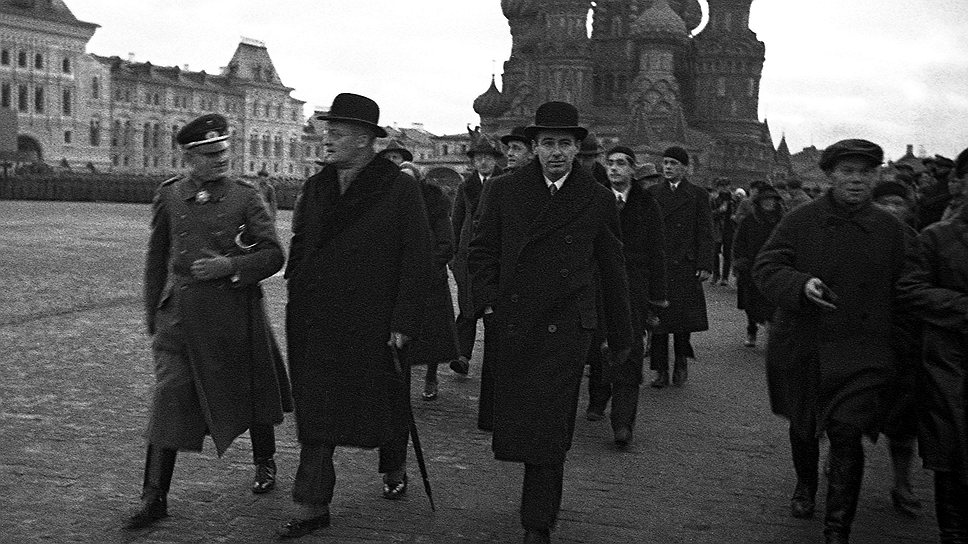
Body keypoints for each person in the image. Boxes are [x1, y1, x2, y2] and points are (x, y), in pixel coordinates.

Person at [468, 101, 633, 543]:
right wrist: (487, 304)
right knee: (523, 422)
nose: (555, 152)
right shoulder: (503, 190)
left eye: (564, 143)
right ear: (535, 147)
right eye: (547, 143)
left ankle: (537, 521)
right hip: (515, 321)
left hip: (566, 328)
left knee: (550, 424)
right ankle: (538, 506)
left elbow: (612, 268)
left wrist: (621, 334)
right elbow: (481, 251)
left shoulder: (596, 198)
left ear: (577, 149)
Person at [280, 93, 433, 538]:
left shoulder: (398, 188)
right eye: (326, 132)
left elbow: (417, 256)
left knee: (383, 402)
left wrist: (403, 320)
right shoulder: (317, 186)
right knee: (316, 411)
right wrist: (297, 285)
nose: (326, 140)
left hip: (371, 321)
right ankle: (311, 504)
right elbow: (302, 243)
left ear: (365, 139)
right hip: (315, 318)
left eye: (337, 133)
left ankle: (394, 465)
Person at [128, 113, 290, 530]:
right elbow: (156, 258)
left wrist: (230, 266)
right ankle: (153, 496)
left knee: (253, 388)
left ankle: (264, 459)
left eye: (224, 150)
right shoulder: (169, 195)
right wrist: (154, 314)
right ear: (189, 156)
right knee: (170, 394)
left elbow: (274, 254)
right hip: (179, 318)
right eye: (211, 153)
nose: (221, 158)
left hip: (233, 315)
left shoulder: (245, 196)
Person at [754, 139, 913, 544]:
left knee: (846, 432)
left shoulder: (891, 229)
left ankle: (837, 529)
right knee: (804, 427)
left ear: (876, 176)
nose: (856, 180)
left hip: (863, 352)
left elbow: (909, 287)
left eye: (865, 172)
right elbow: (767, 266)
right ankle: (806, 483)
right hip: (805, 344)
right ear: (830, 175)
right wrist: (800, 284)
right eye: (847, 171)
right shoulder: (801, 220)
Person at [896, 145, 968, 543]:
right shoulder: (937, 238)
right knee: (953, 459)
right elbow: (911, 290)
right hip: (950, 367)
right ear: (960, 184)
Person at [586, 146, 668, 447]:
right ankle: (597, 398)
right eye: (610, 163)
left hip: (632, 289)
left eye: (621, 163)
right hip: (596, 285)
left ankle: (623, 422)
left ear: (633, 170)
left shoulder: (647, 205)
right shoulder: (594, 199)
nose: (614, 168)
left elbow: (657, 251)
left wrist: (657, 298)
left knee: (630, 352)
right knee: (597, 346)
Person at [869, 179, 923, 518]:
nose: (891, 209)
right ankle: (835, 457)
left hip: (903, 340)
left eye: (897, 203)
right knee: (848, 412)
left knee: (903, 420)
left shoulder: (918, 242)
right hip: (861, 338)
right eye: (884, 203)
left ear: (907, 208)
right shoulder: (857, 238)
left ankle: (902, 483)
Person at [646, 146, 714, 388]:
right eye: (665, 163)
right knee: (658, 319)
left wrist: (705, 264)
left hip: (685, 264)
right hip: (660, 264)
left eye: (673, 163)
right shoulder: (653, 193)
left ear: (685, 168)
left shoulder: (697, 194)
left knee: (683, 320)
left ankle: (681, 360)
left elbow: (705, 231)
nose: (667, 167)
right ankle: (660, 369)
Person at [398, 160, 460, 401]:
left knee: (433, 334)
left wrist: (426, 269)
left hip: (431, 281)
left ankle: (431, 376)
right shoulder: (395, 206)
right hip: (402, 281)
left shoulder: (434, 204)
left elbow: (446, 244)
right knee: (403, 333)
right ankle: (401, 382)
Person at [450, 134, 503, 376]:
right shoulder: (466, 187)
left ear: (495, 160)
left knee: (494, 309)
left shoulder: (505, 184)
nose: (483, 162)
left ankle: (496, 360)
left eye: (488, 157)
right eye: (479, 158)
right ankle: (462, 356)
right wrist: (454, 258)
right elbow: (456, 220)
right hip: (468, 256)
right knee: (468, 306)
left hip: (495, 256)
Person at [731, 185, 783, 347]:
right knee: (750, 302)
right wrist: (740, 261)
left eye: (772, 200)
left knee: (772, 301)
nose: (769, 203)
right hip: (751, 267)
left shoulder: (782, 220)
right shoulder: (750, 220)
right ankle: (751, 328)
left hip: (775, 266)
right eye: (765, 200)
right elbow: (739, 242)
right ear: (759, 202)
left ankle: (771, 329)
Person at [710, 177, 736, 286]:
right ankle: (716, 275)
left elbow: (738, 212)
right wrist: (719, 210)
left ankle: (725, 277)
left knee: (727, 253)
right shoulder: (713, 199)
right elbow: (709, 214)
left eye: (726, 186)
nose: (724, 188)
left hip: (730, 228)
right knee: (715, 252)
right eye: (722, 186)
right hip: (717, 228)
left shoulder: (734, 199)